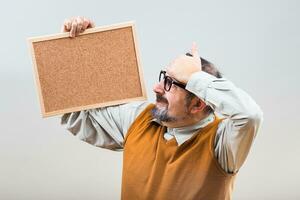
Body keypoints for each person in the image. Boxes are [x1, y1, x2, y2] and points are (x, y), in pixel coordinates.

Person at [61, 16, 263, 200]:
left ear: (198, 104)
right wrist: (78, 49)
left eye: (170, 84)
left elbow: (250, 116)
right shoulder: (140, 118)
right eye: (163, 78)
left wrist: (196, 78)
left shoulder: (222, 142)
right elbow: (77, 113)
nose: (156, 88)